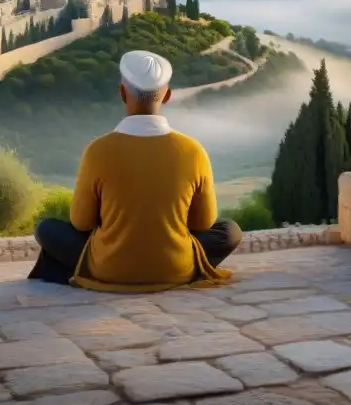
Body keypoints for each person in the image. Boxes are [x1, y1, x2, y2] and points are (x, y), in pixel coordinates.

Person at [28, 49, 242, 292]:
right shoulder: (193, 150)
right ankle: (172, 266)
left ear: (122, 93)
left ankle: (83, 271)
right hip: (176, 266)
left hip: (108, 266)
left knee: (46, 229)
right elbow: (204, 223)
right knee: (229, 231)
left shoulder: (97, 150)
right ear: (168, 96)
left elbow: (81, 223)